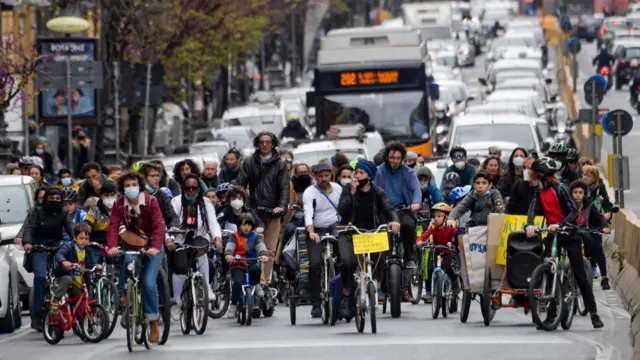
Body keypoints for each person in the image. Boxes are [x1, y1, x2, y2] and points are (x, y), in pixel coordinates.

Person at [524, 157, 603, 329]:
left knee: (580, 275)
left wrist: (560, 225)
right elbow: (532, 208)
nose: (530, 175)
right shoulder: (539, 191)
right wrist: (529, 224)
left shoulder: (560, 189)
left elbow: (574, 211)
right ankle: (551, 315)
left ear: (542, 175)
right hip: (552, 236)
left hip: (569, 234)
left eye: (533, 173)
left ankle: (594, 313)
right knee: (547, 270)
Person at [106, 172, 167, 344]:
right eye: (127, 185)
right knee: (127, 261)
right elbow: (113, 227)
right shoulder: (119, 204)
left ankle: (154, 322)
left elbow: (159, 225)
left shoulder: (151, 201)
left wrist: (155, 247)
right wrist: (112, 247)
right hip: (132, 244)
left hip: (152, 246)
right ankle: (126, 294)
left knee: (148, 283)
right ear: (122, 188)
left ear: (139, 186)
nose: (130, 188)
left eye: (134, 184)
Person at [337, 160, 400, 317]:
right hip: (350, 232)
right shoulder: (348, 189)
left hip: (372, 232)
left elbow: (388, 208)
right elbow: (342, 211)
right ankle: (346, 295)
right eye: (356, 172)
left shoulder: (377, 192)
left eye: (361, 173)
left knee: (381, 252)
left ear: (369, 177)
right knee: (348, 262)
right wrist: (351, 193)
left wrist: (395, 220)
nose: (357, 176)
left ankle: (377, 285)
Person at [232, 132, 290, 291]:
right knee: (253, 249)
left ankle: (264, 283)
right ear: (257, 144)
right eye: (261, 142)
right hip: (254, 213)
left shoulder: (281, 164)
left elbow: (284, 188)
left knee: (270, 250)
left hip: (273, 213)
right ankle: (257, 281)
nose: (264, 145)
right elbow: (240, 183)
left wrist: (282, 206)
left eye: (268, 142)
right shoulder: (249, 162)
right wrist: (237, 200)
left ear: (273, 144)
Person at [168, 173, 223, 318]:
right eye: (188, 188)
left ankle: (207, 287)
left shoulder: (205, 203)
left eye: (194, 188)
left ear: (199, 188)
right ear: (183, 188)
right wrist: (170, 238)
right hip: (180, 238)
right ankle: (178, 301)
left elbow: (213, 222)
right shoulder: (176, 201)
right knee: (179, 267)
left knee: (201, 251)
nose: (191, 191)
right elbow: (170, 221)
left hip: (199, 236)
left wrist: (217, 238)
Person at [21, 187, 75, 331]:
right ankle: (38, 314)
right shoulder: (36, 212)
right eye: (51, 199)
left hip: (57, 247)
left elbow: (71, 227)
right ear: (45, 200)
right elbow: (29, 229)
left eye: (58, 199)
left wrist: (76, 238)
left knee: (68, 273)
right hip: (39, 248)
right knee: (40, 277)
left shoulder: (64, 213)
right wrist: (27, 242)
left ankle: (76, 310)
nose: (55, 202)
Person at [373, 142, 421, 277]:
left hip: (403, 209)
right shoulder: (379, 171)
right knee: (382, 236)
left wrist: (416, 202)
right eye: (392, 157)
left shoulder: (409, 172)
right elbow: (373, 190)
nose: (395, 160)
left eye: (398, 158)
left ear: (402, 158)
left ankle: (409, 257)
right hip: (384, 211)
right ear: (386, 157)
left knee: (408, 225)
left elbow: (416, 189)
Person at [304, 163, 342, 318]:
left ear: (331, 175)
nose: (324, 179)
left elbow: (344, 209)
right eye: (320, 176)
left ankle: (342, 297)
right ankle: (315, 303)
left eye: (327, 175)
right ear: (315, 176)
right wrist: (311, 232)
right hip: (316, 229)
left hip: (335, 226)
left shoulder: (338, 189)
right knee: (314, 264)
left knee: (343, 259)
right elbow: (308, 213)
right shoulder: (309, 192)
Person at [224, 213, 269, 318]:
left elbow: (260, 246)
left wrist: (263, 254)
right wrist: (229, 254)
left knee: (257, 268)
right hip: (238, 264)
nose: (246, 227)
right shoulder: (234, 236)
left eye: (248, 225)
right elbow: (230, 246)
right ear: (239, 225)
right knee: (237, 283)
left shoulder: (256, 236)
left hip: (251, 262)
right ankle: (234, 305)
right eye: (243, 225)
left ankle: (256, 284)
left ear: (252, 226)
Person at [570, 180, 610, 290]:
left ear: (584, 194)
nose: (577, 195)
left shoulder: (589, 205)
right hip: (570, 231)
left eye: (580, 192)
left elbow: (599, 217)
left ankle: (604, 277)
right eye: (575, 192)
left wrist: (605, 226)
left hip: (586, 230)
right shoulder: (567, 204)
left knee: (598, 248)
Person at [416, 203, 459, 302]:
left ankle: (454, 283)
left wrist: (457, 244)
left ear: (446, 217)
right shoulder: (433, 227)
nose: (435, 218)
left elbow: (458, 237)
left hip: (449, 252)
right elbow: (424, 235)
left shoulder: (451, 227)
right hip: (436, 251)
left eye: (439, 216)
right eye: (434, 216)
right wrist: (419, 241)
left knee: (448, 267)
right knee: (431, 268)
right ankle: (431, 292)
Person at [51, 223, 98, 310]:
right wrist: (64, 261)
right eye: (81, 238)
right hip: (65, 278)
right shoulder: (68, 246)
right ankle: (55, 301)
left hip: (78, 284)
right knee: (67, 279)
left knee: (82, 307)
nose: (84, 241)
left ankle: (77, 322)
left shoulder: (88, 251)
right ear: (74, 238)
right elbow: (59, 254)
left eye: (86, 239)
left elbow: (90, 265)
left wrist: (96, 266)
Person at [140, 162, 179, 229]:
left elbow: (172, 216)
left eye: (157, 175)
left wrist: (173, 226)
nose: (157, 178)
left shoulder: (162, 195)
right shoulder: (136, 195)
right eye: (153, 176)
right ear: (144, 178)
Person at [84, 181, 117, 257]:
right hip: (97, 245)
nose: (109, 198)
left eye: (112, 195)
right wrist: (85, 236)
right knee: (94, 263)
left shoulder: (121, 209)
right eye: (106, 195)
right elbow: (87, 224)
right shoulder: (94, 210)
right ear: (101, 196)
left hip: (115, 245)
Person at [282, 163, 312, 245]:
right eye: (300, 173)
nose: (303, 175)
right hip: (295, 219)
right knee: (288, 230)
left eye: (305, 172)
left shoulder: (314, 186)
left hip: (312, 219)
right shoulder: (290, 186)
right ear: (295, 173)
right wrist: (293, 207)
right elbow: (287, 205)